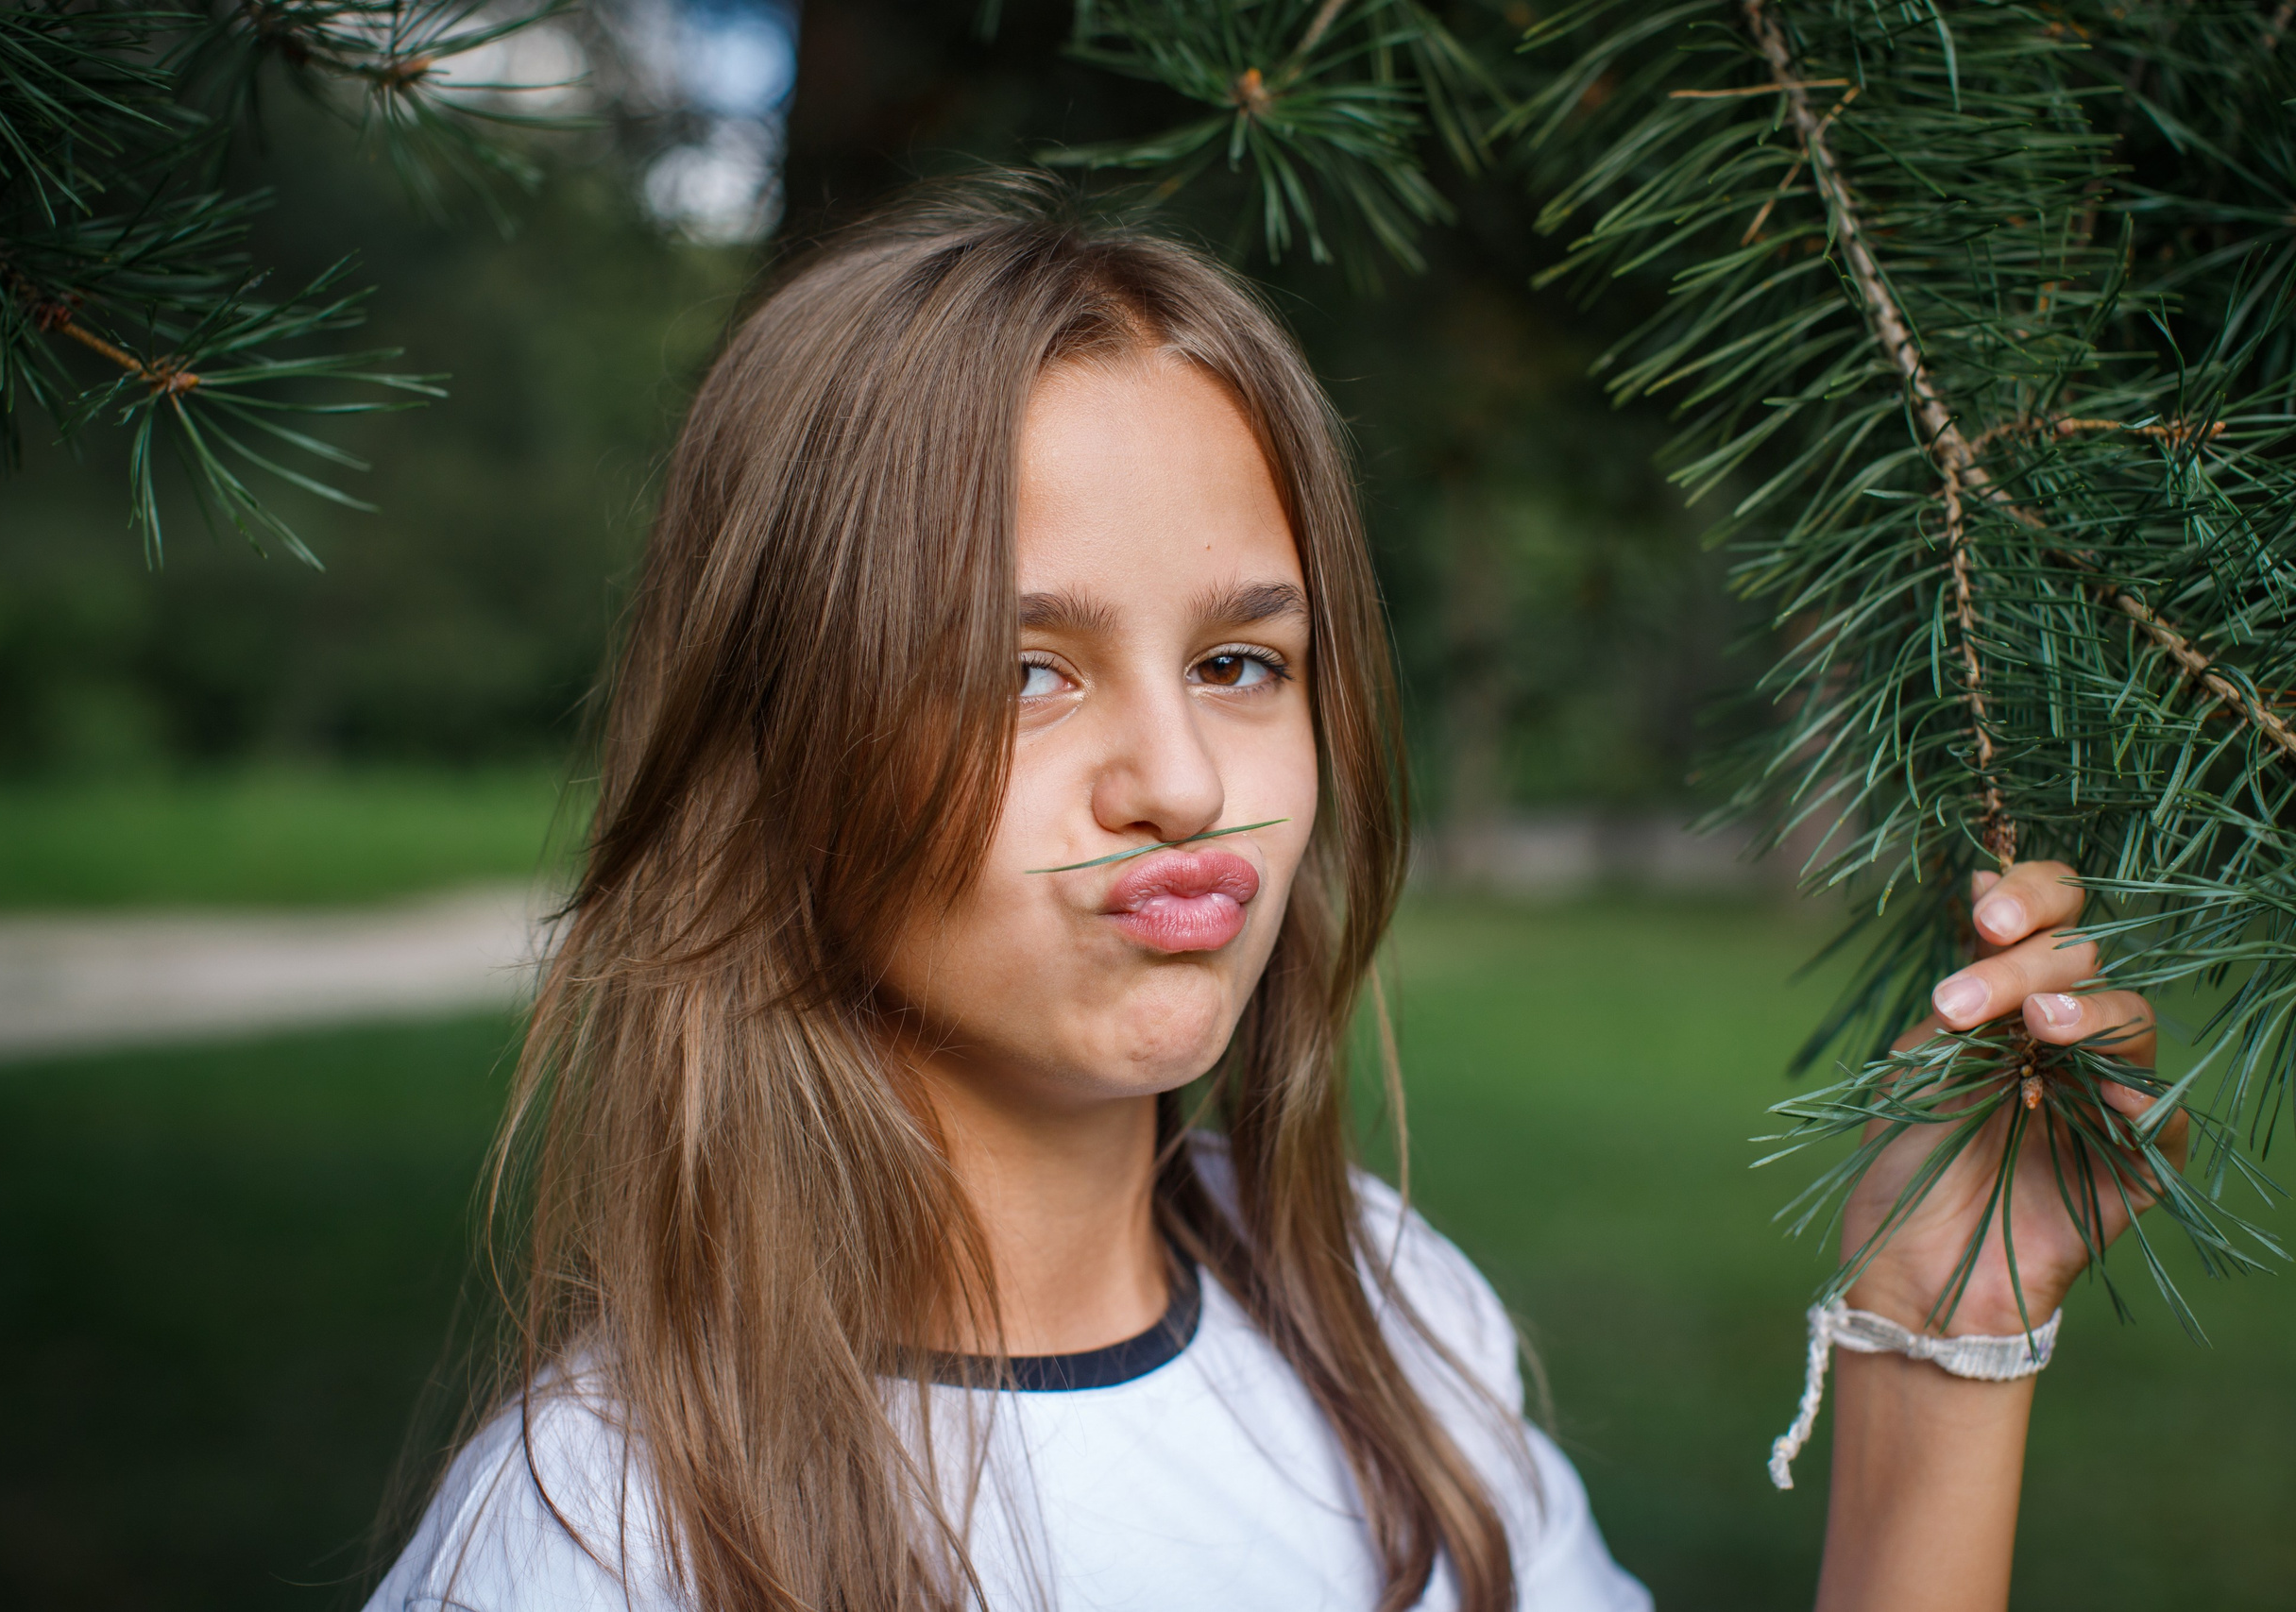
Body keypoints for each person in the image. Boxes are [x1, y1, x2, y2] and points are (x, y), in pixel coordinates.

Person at [366, 177, 2179, 1612]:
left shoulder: (1395, 1329)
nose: (1178, 781)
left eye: (1242, 662)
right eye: (1021, 673)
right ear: (776, 753)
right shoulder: (601, 1544)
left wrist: (1947, 1326)